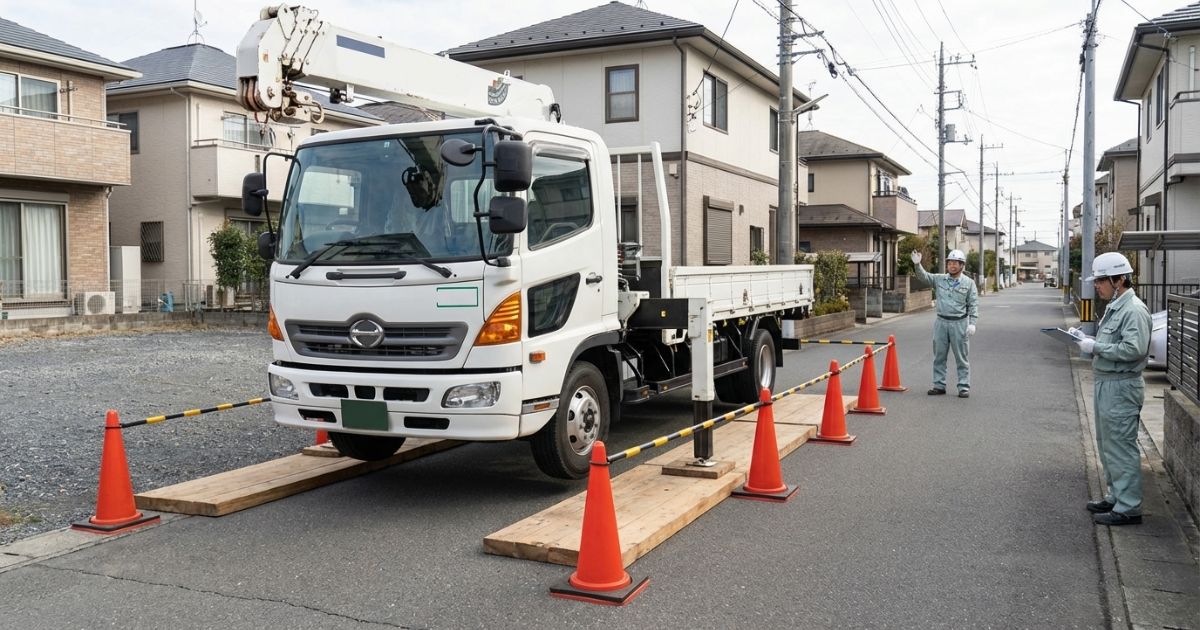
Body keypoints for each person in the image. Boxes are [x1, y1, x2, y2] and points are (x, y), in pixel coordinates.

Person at [1075, 251, 1151, 526]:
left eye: (1101, 281)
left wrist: (1096, 346)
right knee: (1107, 445)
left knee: (1120, 446)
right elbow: (1117, 342)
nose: (1097, 285)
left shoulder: (1133, 309)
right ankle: (1115, 496)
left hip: (1122, 386)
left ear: (1118, 280)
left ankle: (1129, 507)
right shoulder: (1117, 305)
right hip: (1108, 383)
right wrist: (1088, 339)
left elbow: (1134, 348)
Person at [909, 249, 978, 398]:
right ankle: (939, 385)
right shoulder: (940, 279)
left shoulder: (969, 283)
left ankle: (963, 387)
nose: (952, 266)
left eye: (955, 263)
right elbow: (925, 277)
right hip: (941, 322)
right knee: (939, 356)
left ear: (962, 265)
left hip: (959, 323)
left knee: (961, 357)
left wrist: (972, 323)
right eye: (950, 263)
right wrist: (917, 265)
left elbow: (973, 304)